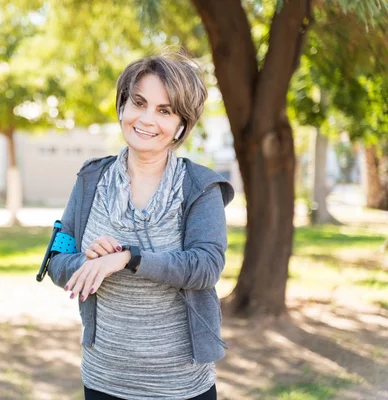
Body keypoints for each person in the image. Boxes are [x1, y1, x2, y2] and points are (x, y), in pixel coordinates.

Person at [47, 50, 234, 400]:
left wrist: (128, 258)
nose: (147, 119)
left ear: (182, 124)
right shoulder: (90, 179)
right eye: (138, 102)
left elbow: (206, 267)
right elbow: (57, 259)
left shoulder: (200, 188)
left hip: (180, 385)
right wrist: (89, 263)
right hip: (103, 378)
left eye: (164, 110)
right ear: (122, 107)